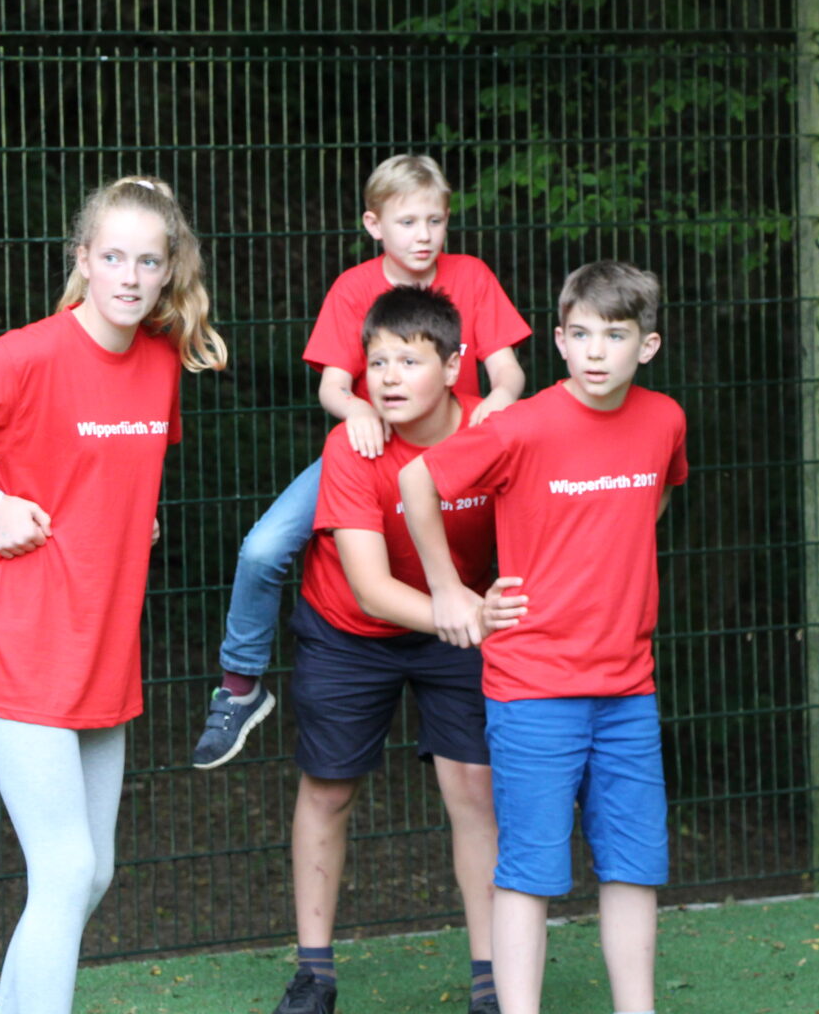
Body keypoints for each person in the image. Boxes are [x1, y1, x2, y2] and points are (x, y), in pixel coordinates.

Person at [0, 176, 226, 1014]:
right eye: (113, 257)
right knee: (65, 870)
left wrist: (129, 517)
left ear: (170, 267)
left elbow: (119, 474)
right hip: (21, 639)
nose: (130, 277)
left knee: (90, 873)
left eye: (148, 260)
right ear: (83, 260)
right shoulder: (31, 354)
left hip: (102, 644)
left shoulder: (159, 362)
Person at [399, 261, 688, 1014]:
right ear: (558, 340)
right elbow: (417, 481)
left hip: (629, 688)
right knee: (528, 871)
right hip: (533, 689)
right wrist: (448, 591)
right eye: (581, 334)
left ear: (648, 346)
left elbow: (654, 495)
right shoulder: (521, 426)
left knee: (633, 868)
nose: (596, 352)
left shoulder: (665, 420)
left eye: (615, 336)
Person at [193, 154, 531, 769]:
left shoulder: (473, 276)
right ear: (375, 225)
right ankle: (240, 683)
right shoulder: (353, 287)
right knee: (263, 549)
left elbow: (508, 371)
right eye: (407, 222)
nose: (423, 236)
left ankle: (550, 676)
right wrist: (357, 411)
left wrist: (499, 403)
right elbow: (332, 386)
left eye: (435, 221)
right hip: (373, 453)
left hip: (461, 454)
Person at [268, 285, 526, 1014]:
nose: (387, 378)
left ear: (454, 367)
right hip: (351, 633)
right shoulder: (350, 444)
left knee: (475, 791)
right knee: (329, 788)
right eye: (376, 362)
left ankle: (491, 982)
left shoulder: (494, 430)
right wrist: (473, 618)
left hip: (461, 628)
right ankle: (314, 976)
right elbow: (373, 590)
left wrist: (481, 615)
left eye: (408, 362)